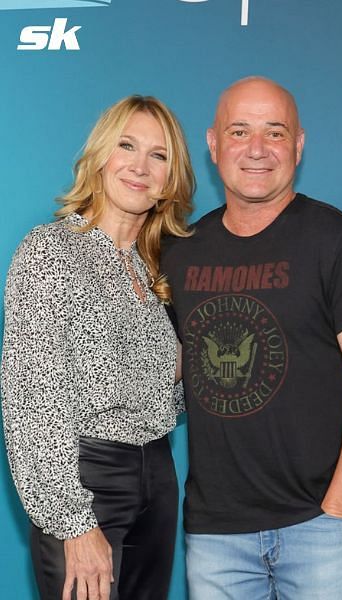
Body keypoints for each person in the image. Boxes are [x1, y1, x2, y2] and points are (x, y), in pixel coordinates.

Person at [160, 76, 342, 599]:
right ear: (214, 143)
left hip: (318, 527)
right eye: (239, 131)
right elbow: (170, 374)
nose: (258, 150)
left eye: (275, 132)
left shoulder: (339, 243)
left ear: (299, 144)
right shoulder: (181, 254)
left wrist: (336, 507)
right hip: (215, 532)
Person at [1, 95, 193, 600]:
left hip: (159, 477)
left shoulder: (158, 271)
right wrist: (72, 522)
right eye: (127, 146)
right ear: (101, 156)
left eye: (159, 155)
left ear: (171, 178)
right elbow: (32, 401)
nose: (140, 166)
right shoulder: (51, 251)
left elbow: (166, 392)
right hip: (87, 478)